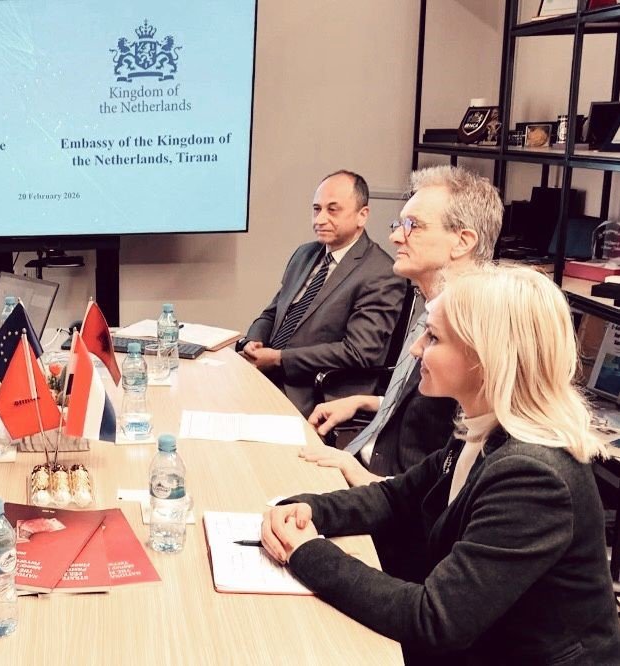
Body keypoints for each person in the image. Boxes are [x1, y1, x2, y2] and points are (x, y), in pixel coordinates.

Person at [261, 265, 620, 665]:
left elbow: (436, 620)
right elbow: (396, 497)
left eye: (433, 337)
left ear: (484, 357)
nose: (416, 349)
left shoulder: (534, 476)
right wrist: (309, 509)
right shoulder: (482, 426)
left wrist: (307, 552)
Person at [302, 165, 503, 486]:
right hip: (364, 462)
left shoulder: (475, 335)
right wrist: (366, 402)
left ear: (462, 241)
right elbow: (430, 411)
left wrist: (361, 478)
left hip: (385, 487)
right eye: (400, 225)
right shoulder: (433, 309)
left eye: (413, 226)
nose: (395, 236)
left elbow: (452, 479)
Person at [239, 170, 405, 416]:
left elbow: (357, 352)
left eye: (332, 210)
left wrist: (279, 358)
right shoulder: (305, 254)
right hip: (268, 374)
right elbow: (273, 313)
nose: (320, 219)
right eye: (316, 209)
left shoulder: (381, 273)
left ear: (362, 215)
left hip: (316, 392)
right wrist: (252, 342)